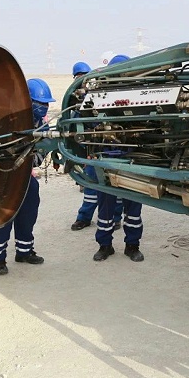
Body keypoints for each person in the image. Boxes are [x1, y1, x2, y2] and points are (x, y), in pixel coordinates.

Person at [0, 78, 54, 275]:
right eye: (39, 103)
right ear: (26, 101)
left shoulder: (42, 125)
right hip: (3, 177)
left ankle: (24, 251)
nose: (44, 107)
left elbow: (40, 155)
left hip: (25, 177)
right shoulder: (6, 120)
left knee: (28, 212)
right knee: (1, 215)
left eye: (46, 104)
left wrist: (36, 156)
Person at [90, 54, 146, 263]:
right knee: (105, 209)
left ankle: (132, 246)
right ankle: (105, 246)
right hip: (106, 161)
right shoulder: (98, 100)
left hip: (133, 161)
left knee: (134, 208)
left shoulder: (141, 98)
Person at [69, 59, 123, 231]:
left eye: (84, 76)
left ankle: (115, 218)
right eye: (78, 76)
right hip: (96, 150)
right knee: (91, 187)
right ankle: (84, 218)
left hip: (118, 151)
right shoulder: (76, 98)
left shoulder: (107, 93)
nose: (81, 79)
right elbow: (76, 124)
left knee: (118, 186)